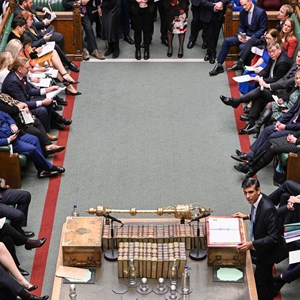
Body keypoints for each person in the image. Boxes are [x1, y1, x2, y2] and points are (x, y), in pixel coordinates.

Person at [220, 42, 293, 134]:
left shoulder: (283, 62)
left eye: (273, 51)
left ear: (279, 50)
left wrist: (260, 81)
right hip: (275, 87)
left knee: (261, 90)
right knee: (260, 94)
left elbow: (276, 80)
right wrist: (256, 77)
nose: (271, 54)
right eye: (270, 52)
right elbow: (266, 70)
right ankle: (251, 123)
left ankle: (237, 101)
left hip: (282, 93)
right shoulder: (274, 57)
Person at [232, 178, 287, 300]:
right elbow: (259, 216)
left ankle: (270, 291)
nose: (247, 196)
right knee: (264, 279)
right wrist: (247, 216)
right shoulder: (258, 202)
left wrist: (252, 244)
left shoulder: (268, 208)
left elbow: (274, 238)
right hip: (262, 248)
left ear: (258, 190)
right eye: (245, 192)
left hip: (268, 253)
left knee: (259, 285)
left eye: (251, 192)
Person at [2, 57, 72, 132]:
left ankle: (54, 122)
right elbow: (23, 102)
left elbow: (29, 90)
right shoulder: (12, 82)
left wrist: (47, 90)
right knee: (42, 109)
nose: (29, 69)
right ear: (19, 69)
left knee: (46, 98)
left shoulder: (21, 75)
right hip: (19, 108)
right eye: (27, 68)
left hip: (26, 100)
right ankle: (46, 132)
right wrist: (42, 102)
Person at [0, 110, 65, 178]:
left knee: (34, 139)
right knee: (32, 149)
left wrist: (12, 124)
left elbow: (5, 115)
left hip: (16, 135)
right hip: (9, 143)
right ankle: (49, 167)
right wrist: (8, 140)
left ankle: (41, 170)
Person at [209, 0, 267, 76]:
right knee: (227, 41)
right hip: (244, 36)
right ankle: (219, 65)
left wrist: (251, 38)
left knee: (242, 46)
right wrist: (240, 35)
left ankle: (243, 66)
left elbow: (262, 29)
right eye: (242, 5)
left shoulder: (261, 12)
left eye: (245, 5)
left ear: (250, 1)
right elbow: (241, 27)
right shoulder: (243, 12)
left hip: (255, 38)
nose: (244, 7)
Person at [200, 0, 229, 64]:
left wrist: (221, 3)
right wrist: (215, 5)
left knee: (215, 35)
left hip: (219, 14)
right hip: (206, 13)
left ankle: (211, 52)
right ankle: (210, 52)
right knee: (207, 35)